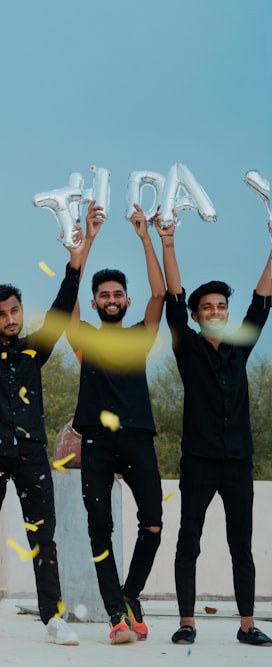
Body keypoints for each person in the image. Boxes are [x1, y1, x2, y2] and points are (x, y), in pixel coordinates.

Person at [0, 220, 83, 646]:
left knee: (43, 536)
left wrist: (74, 264)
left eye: (15, 311)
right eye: (2, 314)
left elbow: (62, 312)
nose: (10, 319)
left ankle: (54, 619)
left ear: (22, 313)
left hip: (31, 455)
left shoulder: (33, 349)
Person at [157, 217, 272, 647]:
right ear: (196, 315)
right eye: (208, 307)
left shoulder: (241, 345)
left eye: (222, 306)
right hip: (200, 462)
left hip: (239, 461)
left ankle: (247, 625)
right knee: (189, 539)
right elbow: (172, 296)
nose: (217, 312)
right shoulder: (185, 346)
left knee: (241, 545)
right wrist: (168, 243)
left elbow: (263, 300)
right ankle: (187, 621)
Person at [69, 201, 165, 644]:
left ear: (125, 301)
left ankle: (129, 595)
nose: (111, 300)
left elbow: (160, 295)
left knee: (153, 525)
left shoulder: (138, 337)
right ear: (95, 302)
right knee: (98, 527)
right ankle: (115, 616)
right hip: (98, 445)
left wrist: (146, 237)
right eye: (103, 295)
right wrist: (88, 237)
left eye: (117, 295)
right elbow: (67, 296)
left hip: (139, 440)